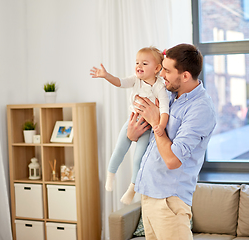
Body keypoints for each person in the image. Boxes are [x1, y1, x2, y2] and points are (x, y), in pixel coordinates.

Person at [127, 43, 217, 239]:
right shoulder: (168, 94)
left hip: (169, 200)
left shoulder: (200, 109)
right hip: (148, 193)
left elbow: (172, 160)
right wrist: (133, 134)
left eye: (167, 70)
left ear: (184, 76)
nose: (161, 75)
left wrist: (155, 121)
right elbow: (144, 136)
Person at [90, 47, 169, 205]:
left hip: (147, 127)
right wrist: (106, 76)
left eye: (144, 63)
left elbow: (165, 110)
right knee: (119, 149)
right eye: (137, 62)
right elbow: (120, 82)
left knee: (138, 158)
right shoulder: (135, 80)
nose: (139, 66)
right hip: (132, 121)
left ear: (157, 68)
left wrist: (160, 126)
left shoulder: (160, 87)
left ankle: (132, 187)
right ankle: (110, 175)